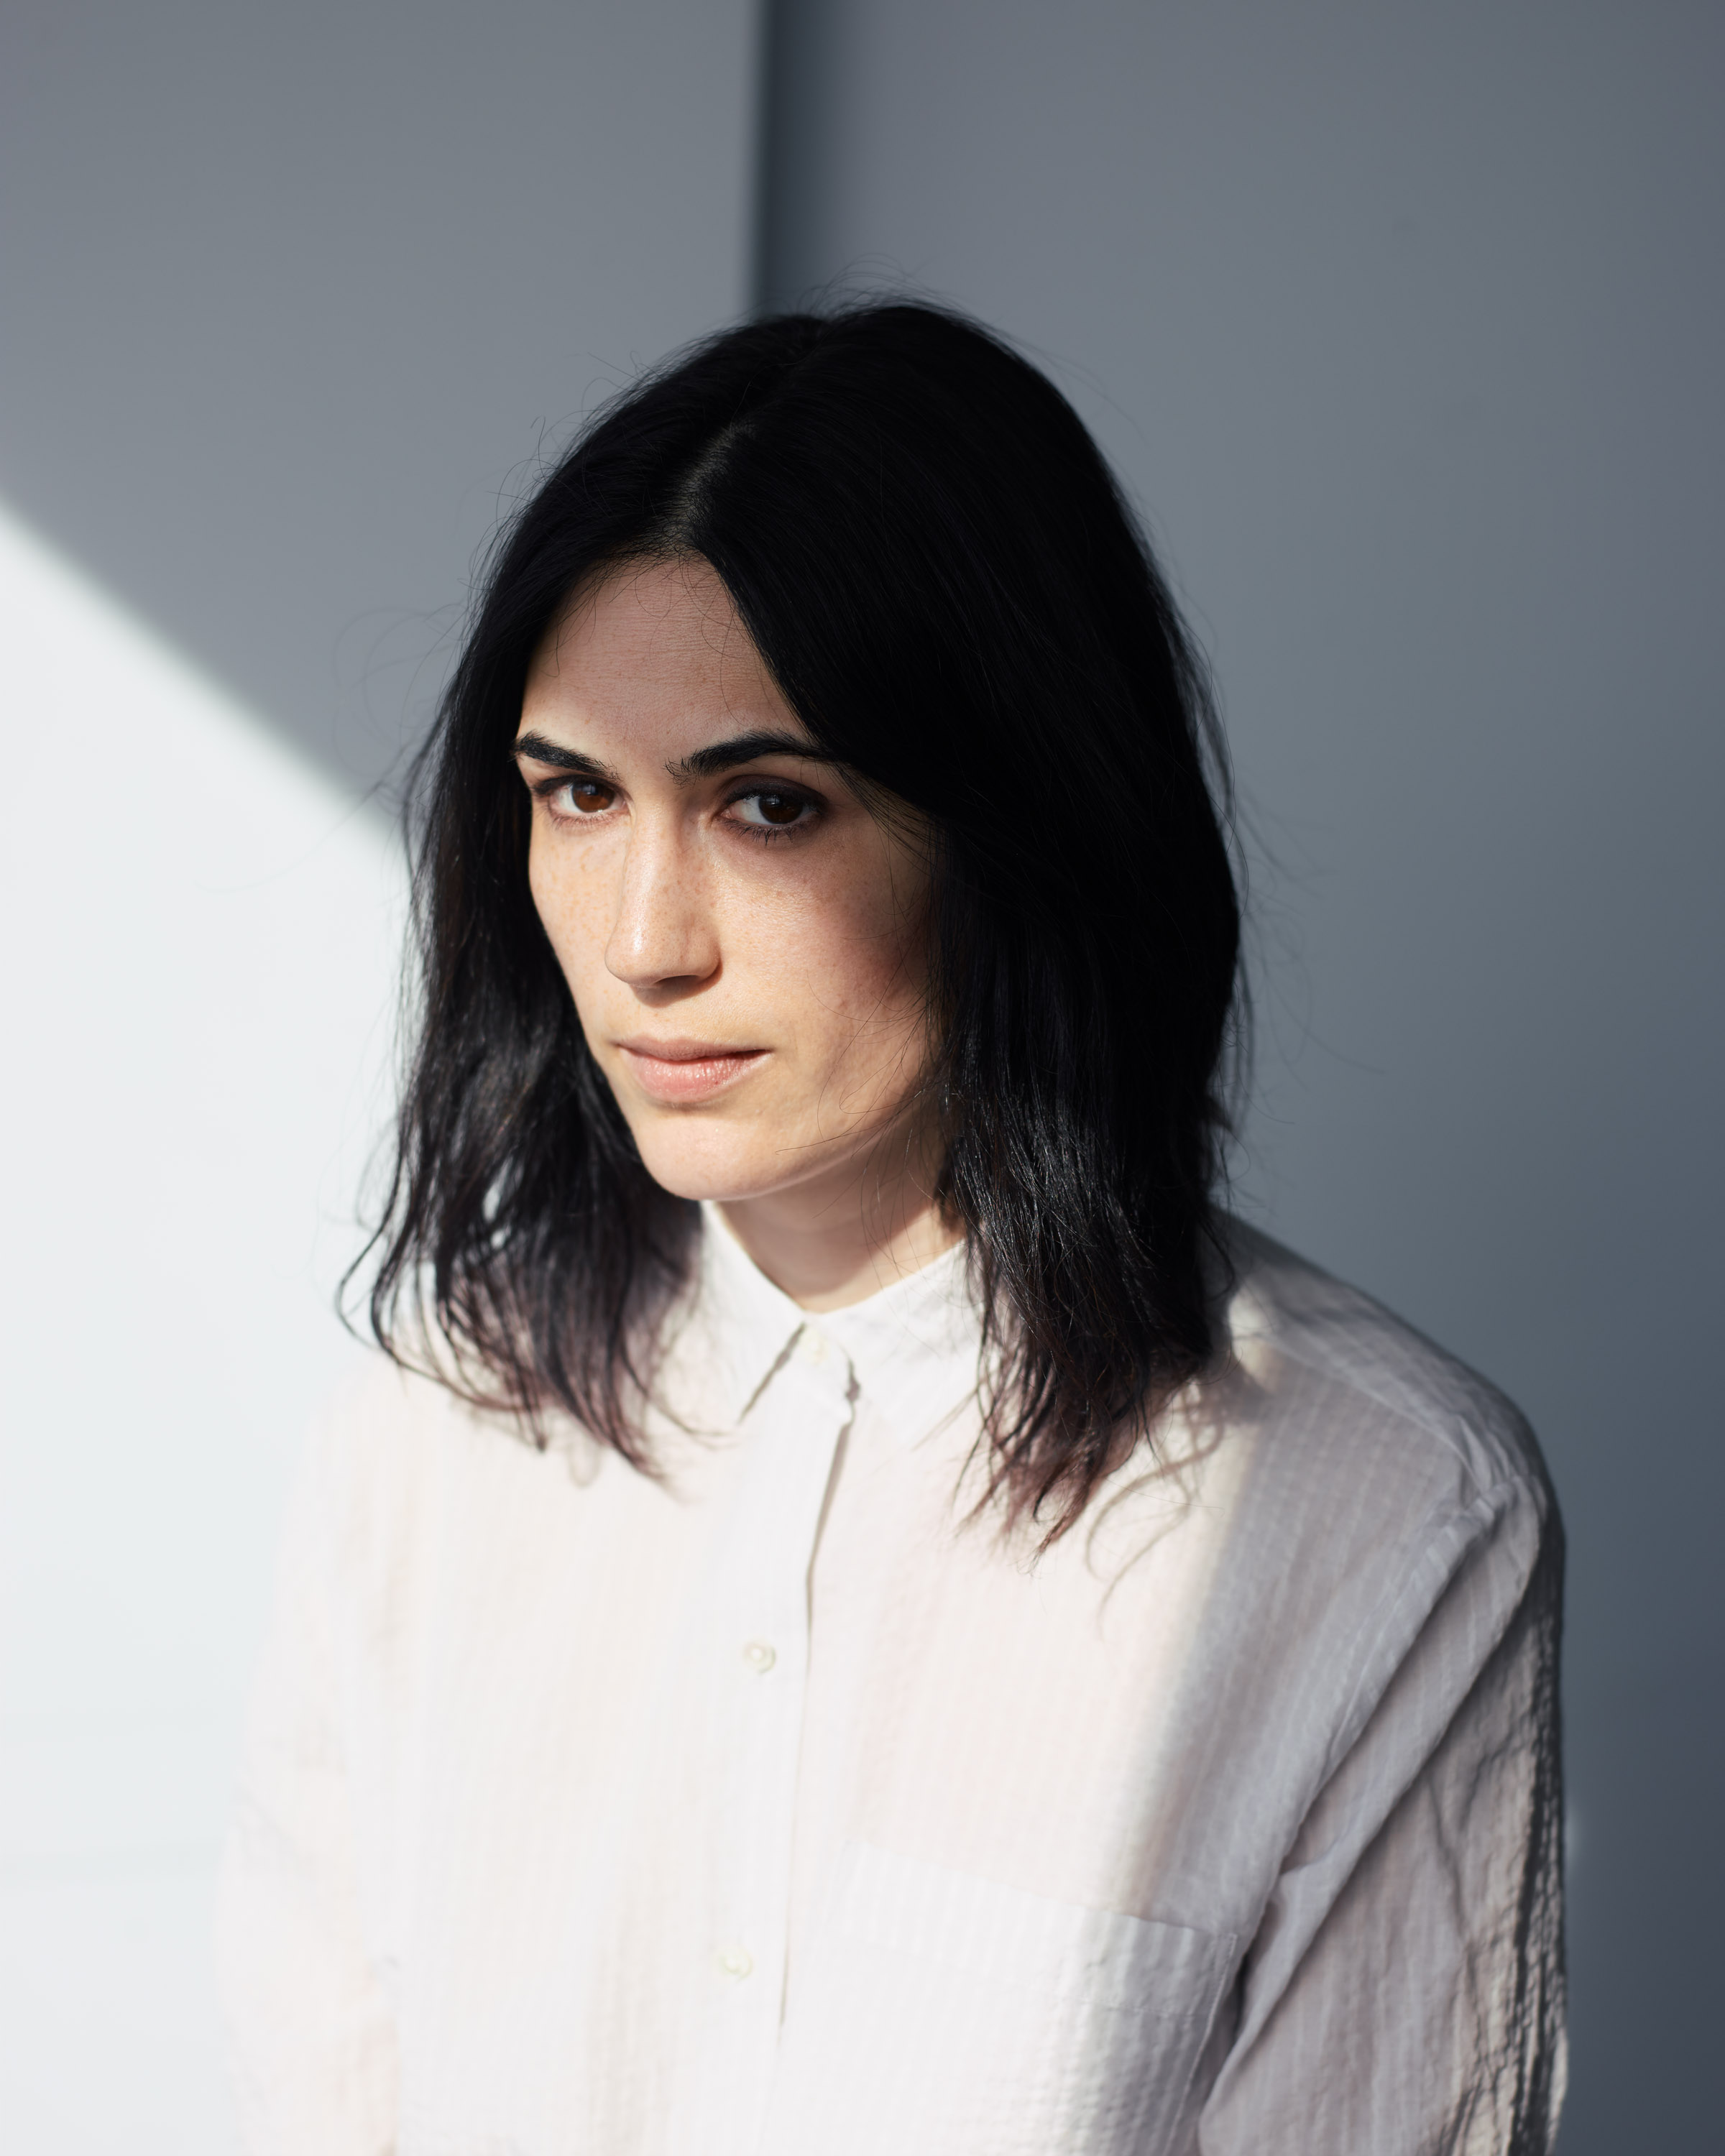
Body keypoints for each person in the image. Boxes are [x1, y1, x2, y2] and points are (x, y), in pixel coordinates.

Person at [215, 302, 1565, 2155]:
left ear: (1022, 829)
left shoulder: (1380, 1511)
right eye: (578, 794)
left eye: (769, 806)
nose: (643, 943)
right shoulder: (434, 1433)